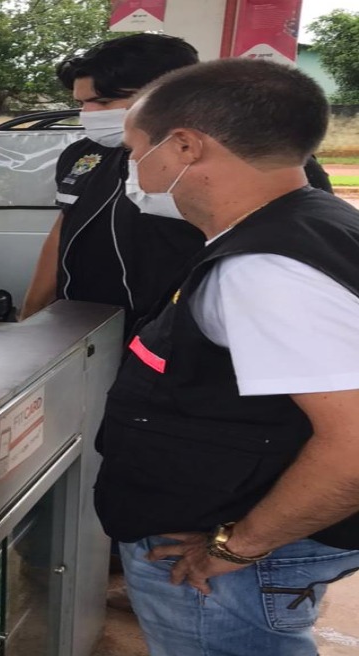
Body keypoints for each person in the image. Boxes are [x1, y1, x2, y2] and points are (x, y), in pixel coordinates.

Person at [95, 58, 359, 655]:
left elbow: (354, 445)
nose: (131, 168)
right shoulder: (318, 223)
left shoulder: (266, 270)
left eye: (135, 150)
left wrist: (236, 547)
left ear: (184, 146)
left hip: (235, 555)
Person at [19, 34, 333, 336]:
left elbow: (293, 259)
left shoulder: (254, 161)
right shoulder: (85, 154)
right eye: (82, 103)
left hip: (179, 339)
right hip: (84, 332)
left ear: (168, 93)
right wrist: (31, 315)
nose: (88, 114)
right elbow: (63, 229)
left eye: (103, 102)